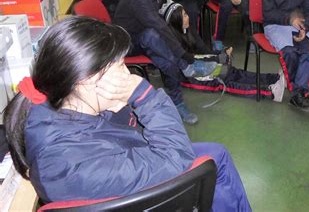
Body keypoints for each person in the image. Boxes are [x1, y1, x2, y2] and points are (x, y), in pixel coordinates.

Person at [3, 17, 251, 211]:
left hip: (119, 165)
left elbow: (123, 133)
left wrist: (120, 106)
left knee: (217, 153)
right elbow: (177, 159)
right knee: (214, 160)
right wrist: (145, 97)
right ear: (86, 81)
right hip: (135, 189)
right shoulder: (67, 164)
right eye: (119, 65)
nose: (127, 73)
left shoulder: (64, 101)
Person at [114, 0, 207, 125]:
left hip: (143, 40)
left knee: (167, 62)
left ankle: (178, 102)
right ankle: (185, 66)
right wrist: (184, 56)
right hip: (126, 45)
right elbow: (158, 26)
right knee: (153, 34)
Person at [161, 0, 286, 101]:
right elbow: (190, 60)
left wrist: (220, 54)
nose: (188, 17)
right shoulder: (172, 42)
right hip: (188, 76)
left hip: (199, 65)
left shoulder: (188, 29)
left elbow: (202, 49)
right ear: (175, 21)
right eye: (184, 16)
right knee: (224, 84)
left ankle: (274, 78)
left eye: (186, 14)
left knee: (233, 72)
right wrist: (219, 58)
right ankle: (269, 93)